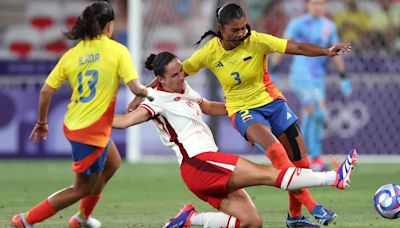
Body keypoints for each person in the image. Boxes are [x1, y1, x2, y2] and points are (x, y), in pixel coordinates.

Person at [117, 52, 357, 228]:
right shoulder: (155, 101)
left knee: (252, 222)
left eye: (181, 70)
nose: (182, 76)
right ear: (161, 79)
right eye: (175, 74)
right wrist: (92, 122)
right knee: (268, 174)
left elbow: (208, 106)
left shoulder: (182, 88)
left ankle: (189, 219)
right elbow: (126, 122)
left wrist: (240, 108)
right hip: (200, 163)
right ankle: (334, 177)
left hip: (206, 168)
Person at [180, 3, 352, 227]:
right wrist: (148, 91)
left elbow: (296, 47)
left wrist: (326, 51)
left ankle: (295, 217)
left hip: (273, 103)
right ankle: (313, 206)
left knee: (301, 162)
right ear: (220, 28)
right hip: (243, 111)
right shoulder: (210, 52)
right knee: (278, 154)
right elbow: (178, 72)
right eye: (235, 30)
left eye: (243, 28)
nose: (241, 33)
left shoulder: (257, 40)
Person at [11, 1, 152, 228]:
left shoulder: (72, 54)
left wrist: (42, 121)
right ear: (109, 26)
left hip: (78, 125)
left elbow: (46, 90)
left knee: (112, 163)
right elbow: (135, 87)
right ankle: (26, 220)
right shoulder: (117, 50)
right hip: (91, 132)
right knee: (82, 188)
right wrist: (149, 92)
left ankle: (81, 219)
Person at [270, 0, 352, 172]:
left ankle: (310, 157)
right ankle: (309, 157)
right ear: (307, 6)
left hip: (317, 78)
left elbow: (336, 52)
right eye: (315, 4)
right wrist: (272, 71)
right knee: (316, 110)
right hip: (301, 75)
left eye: (321, 3)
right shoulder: (298, 23)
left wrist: (343, 76)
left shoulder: (329, 26)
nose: (319, 7)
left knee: (316, 115)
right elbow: (282, 45)